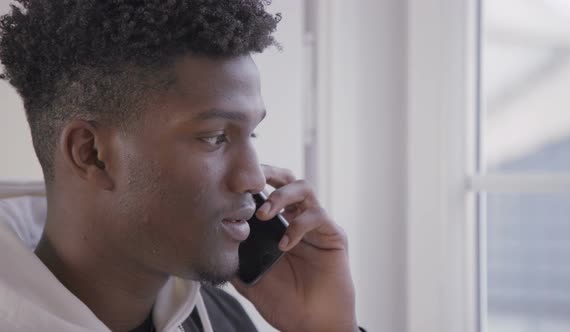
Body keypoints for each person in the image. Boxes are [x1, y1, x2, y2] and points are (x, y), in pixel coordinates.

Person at [0, 1, 361, 331]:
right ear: (91, 154)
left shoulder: (219, 318)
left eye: (252, 135)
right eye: (214, 137)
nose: (253, 179)